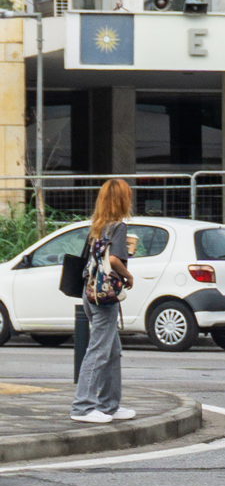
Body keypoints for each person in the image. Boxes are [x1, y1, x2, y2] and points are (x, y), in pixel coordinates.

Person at [71, 180, 136, 424]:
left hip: (90, 294)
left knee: (112, 351)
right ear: (121, 200)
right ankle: (82, 407)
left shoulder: (97, 227)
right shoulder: (118, 227)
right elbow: (115, 260)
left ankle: (110, 404)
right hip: (104, 297)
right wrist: (128, 275)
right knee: (99, 350)